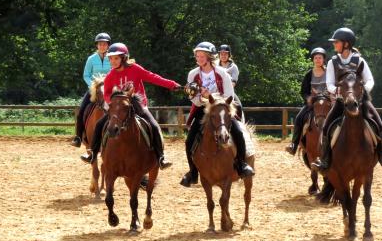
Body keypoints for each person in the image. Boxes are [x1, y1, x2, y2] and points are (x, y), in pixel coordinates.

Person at [80, 42, 181, 168]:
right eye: (110, 58)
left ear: (124, 58)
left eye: (116, 58)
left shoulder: (135, 69)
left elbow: (153, 77)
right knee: (100, 124)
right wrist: (112, 102)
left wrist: (172, 85)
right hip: (120, 109)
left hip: (138, 105)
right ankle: (93, 153)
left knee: (154, 126)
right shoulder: (111, 75)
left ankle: (161, 157)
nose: (113, 61)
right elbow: (106, 93)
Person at [311, 28, 382, 171]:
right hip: (340, 101)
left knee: (379, 124)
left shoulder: (360, 60)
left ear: (346, 44)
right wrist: (338, 92)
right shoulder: (333, 62)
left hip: (360, 101)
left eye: (336, 42)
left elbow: (370, 80)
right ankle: (325, 160)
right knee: (326, 127)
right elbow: (329, 84)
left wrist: (361, 92)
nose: (334, 44)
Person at [180, 41, 255, 187]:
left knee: (238, 132)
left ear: (209, 57)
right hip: (203, 108)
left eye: (202, 56)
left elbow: (229, 95)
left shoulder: (222, 73)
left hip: (222, 107)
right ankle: (193, 172)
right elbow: (193, 99)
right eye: (197, 55)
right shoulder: (192, 74)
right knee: (189, 140)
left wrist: (211, 96)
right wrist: (203, 99)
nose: (199, 58)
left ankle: (241, 165)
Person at [70, 32, 112, 147]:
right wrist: (92, 86)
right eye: (100, 44)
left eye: (104, 44)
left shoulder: (112, 58)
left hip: (109, 89)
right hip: (94, 89)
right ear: (97, 45)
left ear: (108, 45)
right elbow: (86, 75)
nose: (102, 46)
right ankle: (78, 138)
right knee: (81, 112)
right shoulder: (91, 59)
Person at [285, 47, 328, 155]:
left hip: (327, 102)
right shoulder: (309, 74)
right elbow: (303, 91)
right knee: (299, 118)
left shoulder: (329, 72)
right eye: (316, 58)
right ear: (313, 60)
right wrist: (308, 98)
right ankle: (294, 144)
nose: (318, 60)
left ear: (324, 59)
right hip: (313, 104)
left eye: (320, 58)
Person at [218, 44, 243, 118]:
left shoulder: (234, 67)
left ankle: (239, 123)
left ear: (229, 55)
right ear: (219, 55)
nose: (223, 56)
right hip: (215, 92)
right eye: (221, 54)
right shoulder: (215, 66)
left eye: (225, 54)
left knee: (238, 106)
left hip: (228, 92)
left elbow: (233, 83)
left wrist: (223, 91)